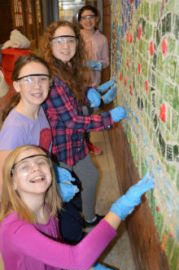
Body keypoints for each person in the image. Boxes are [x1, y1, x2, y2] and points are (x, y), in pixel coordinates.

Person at [0, 144, 154, 270]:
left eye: (41, 162)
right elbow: (77, 259)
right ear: (12, 182)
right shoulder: (16, 230)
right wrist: (120, 208)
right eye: (24, 166)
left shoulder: (48, 209)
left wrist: (90, 268)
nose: (35, 168)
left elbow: (59, 255)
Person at [40, 20, 127, 227]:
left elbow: (75, 102)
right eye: (59, 40)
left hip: (75, 142)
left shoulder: (68, 68)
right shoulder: (53, 79)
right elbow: (72, 120)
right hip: (61, 148)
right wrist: (108, 118)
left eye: (70, 40)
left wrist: (89, 91)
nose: (65, 46)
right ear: (50, 45)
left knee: (90, 176)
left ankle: (87, 217)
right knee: (61, 199)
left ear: (77, 43)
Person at [0, 55, 84, 244]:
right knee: (70, 235)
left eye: (42, 79)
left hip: (45, 188)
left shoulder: (39, 109)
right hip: (30, 203)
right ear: (16, 85)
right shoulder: (15, 129)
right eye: (28, 79)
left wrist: (54, 171)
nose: (37, 86)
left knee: (74, 223)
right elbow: (3, 181)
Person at [78, 4, 110, 155]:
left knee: (87, 114)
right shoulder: (75, 38)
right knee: (77, 114)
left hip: (93, 84)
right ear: (80, 21)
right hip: (76, 83)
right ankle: (81, 143)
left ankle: (87, 143)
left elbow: (106, 61)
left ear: (96, 20)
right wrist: (82, 64)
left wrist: (98, 64)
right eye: (84, 18)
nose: (88, 20)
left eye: (91, 17)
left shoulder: (102, 39)